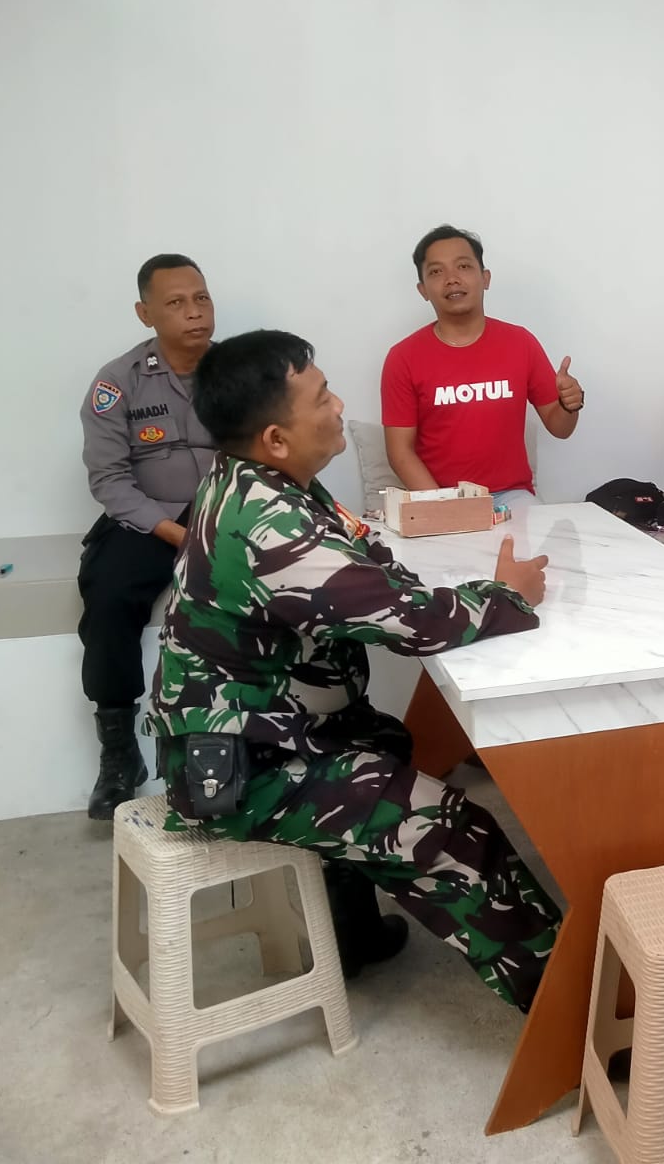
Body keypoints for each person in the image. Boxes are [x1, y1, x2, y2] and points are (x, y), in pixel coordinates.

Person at [144, 328, 561, 1008]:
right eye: (321, 397)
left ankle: (351, 935)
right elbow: (411, 623)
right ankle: (572, 1013)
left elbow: (369, 568)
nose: (339, 406)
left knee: (386, 740)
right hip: (241, 766)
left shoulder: (263, 482)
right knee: (456, 829)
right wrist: (507, 596)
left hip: (268, 730)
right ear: (276, 437)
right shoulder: (268, 521)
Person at [78, 253, 217, 819]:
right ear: (145, 314)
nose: (194, 312)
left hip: (224, 513)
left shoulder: (239, 371)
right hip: (149, 520)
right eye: (176, 303)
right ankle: (118, 755)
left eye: (201, 298)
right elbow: (108, 479)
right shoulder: (118, 381)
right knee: (109, 597)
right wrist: (173, 532)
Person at [380, 224, 583, 509]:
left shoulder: (521, 343)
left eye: (463, 266)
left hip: (511, 496)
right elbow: (400, 453)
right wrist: (448, 507)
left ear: (485, 278)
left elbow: (560, 428)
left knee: (543, 536)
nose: (452, 279)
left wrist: (569, 404)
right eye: (436, 272)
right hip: (440, 498)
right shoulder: (402, 357)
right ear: (423, 290)